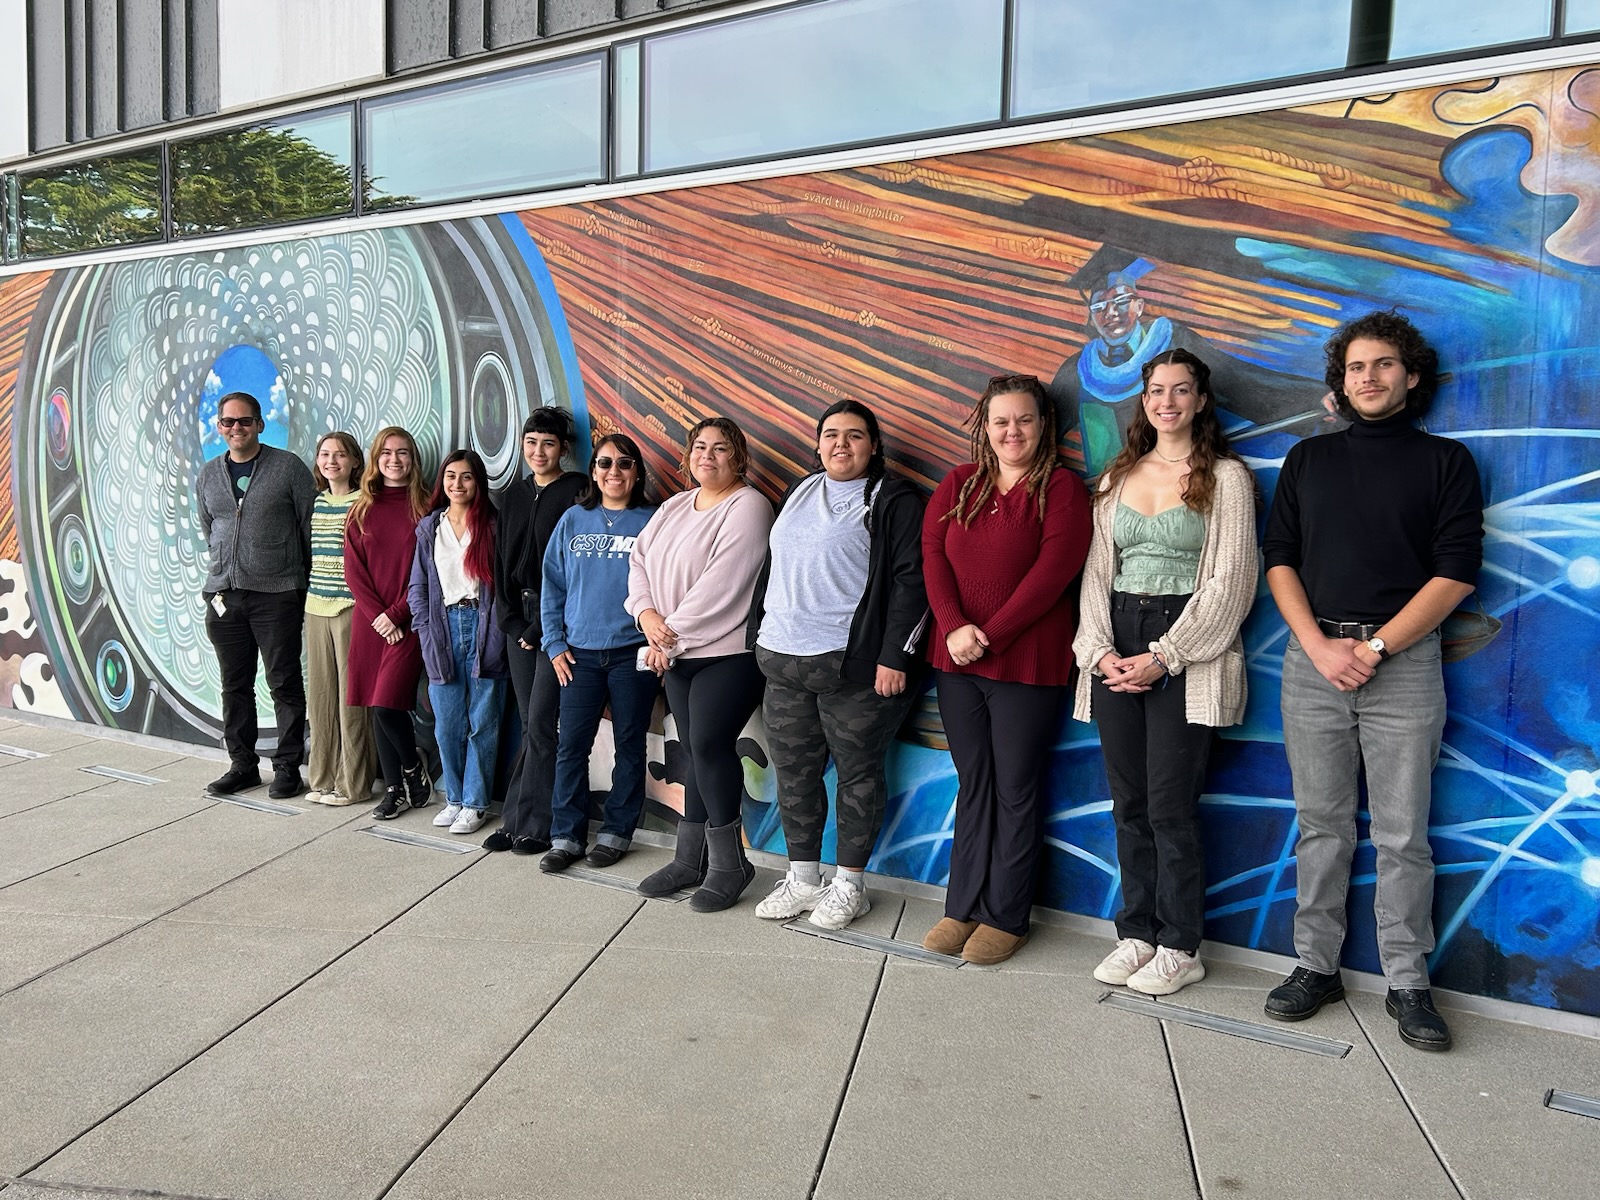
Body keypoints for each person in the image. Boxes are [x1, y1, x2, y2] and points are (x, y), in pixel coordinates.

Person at [1261, 311, 1483, 1052]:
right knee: (1320, 829)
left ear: (1411, 376)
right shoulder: (1308, 462)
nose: (1370, 378)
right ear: (1341, 380)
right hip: (1313, 661)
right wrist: (1321, 647)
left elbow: (1456, 574)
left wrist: (1379, 647)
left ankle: (1407, 983)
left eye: (1384, 365)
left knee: (1401, 836)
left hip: (1406, 666)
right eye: (1357, 367)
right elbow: (1280, 561)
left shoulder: (1446, 461)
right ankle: (1314, 967)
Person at [1071, 349, 1258, 995]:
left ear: (1201, 401)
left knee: (1171, 806)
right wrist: (1098, 652)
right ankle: (1137, 932)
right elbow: (1097, 572)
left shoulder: (1227, 478)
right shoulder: (1117, 477)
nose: (1168, 401)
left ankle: (1181, 944)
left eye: (1181, 391)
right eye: (1156, 391)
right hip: (1116, 644)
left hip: (1185, 651)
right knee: (1130, 803)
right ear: (1143, 400)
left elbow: (1232, 585)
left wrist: (1165, 657)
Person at [920, 374, 1092, 965]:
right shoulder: (958, 484)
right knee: (975, 785)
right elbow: (934, 556)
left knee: (1016, 789)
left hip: (1027, 662)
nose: (1011, 431)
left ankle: (1006, 915)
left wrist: (990, 634)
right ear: (984, 427)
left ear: (1043, 426)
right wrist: (953, 626)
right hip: (957, 660)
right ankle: (960, 905)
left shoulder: (1062, 488)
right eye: (1001, 421)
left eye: (1024, 419)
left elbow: (1053, 574)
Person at [746, 400, 929, 930]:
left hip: (854, 670)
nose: (840, 445)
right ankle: (803, 879)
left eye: (854, 435)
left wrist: (896, 656)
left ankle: (849, 885)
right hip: (784, 662)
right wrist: (759, 631)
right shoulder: (800, 490)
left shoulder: (894, 500)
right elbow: (776, 566)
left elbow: (912, 584)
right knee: (796, 776)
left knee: (857, 777)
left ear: (874, 445)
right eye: (830, 434)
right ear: (818, 441)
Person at [626, 417, 774, 912]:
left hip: (728, 654)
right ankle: (690, 860)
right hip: (678, 652)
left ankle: (731, 866)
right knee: (691, 750)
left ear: (739, 458)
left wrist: (666, 636)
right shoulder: (673, 506)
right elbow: (639, 562)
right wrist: (645, 614)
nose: (707, 456)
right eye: (699, 447)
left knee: (709, 744)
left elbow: (723, 585)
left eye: (721, 448)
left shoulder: (749, 506)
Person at [1045, 245, 1331, 476]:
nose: (1112, 314)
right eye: (1100, 306)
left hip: (1179, 487)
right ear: (1092, 317)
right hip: (1107, 495)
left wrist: (1316, 398)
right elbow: (1045, 429)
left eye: (1121, 302)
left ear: (1139, 306)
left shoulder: (1174, 343)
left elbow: (1240, 382)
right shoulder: (1079, 371)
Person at [537, 435, 659, 872]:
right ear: (593, 472)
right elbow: (553, 586)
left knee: (630, 745)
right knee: (571, 747)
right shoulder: (573, 519)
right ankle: (566, 835)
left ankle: (615, 833)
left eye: (625, 463)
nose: (614, 471)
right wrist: (554, 644)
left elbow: (666, 586)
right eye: (605, 463)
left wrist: (657, 643)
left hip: (633, 654)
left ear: (637, 472)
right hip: (579, 655)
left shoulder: (653, 520)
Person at [196, 390, 316, 798]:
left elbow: (309, 529)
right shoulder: (210, 474)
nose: (236, 429)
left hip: (277, 593)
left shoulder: (288, 468)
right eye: (228, 422)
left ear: (260, 424)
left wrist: (301, 582)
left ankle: (287, 768)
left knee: (283, 682)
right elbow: (210, 527)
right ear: (219, 427)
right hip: (224, 595)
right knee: (235, 685)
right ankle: (243, 765)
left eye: (244, 421)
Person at [488, 408, 589, 854]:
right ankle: (515, 819)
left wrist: (539, 627)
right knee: (530, 723)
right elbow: (499, 565)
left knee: (543, 724)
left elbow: (572, 568)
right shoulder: (513, 494)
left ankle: (536, 824)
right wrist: (511, 620)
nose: (538, 452)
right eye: (531, 443)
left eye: (548, 443)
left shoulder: (577, 493)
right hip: (516, 621)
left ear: (563, 449)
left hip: (555, 623)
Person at [409, 450, 508, 835]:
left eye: (466, 477)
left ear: (478, 482)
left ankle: (476, 803)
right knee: (447, 723)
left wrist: (499, 631)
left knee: (483, 721)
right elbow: (417, 585)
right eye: (451, 476)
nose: (457, 484)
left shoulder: (493, 525)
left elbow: (503, 586)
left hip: (484, 625)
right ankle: (453, 798)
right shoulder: (429, 528)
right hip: (442, 627)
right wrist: (423, 626)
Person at [345, 426, 434, 820]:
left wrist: (397, 614)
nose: (394, 460)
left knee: (386, 704)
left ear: (412, 459)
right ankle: (397, 787)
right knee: (375, 703)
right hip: (370, 622)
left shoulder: (428, 506)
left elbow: (429, 570)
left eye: (402, 453)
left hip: (410, 621)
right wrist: (378, 616)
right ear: (375, 459)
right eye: (386, 453)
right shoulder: (362, 506)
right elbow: (353, 569)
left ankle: (413, 769)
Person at [303, 431, 375, 806]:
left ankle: (353, 784)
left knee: (351, 699)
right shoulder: (315, 504)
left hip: (350, 608)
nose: (332, 461)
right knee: (320, 699)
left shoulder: (363, 503)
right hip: (316, 606)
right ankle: (322, 779)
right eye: (325, 454)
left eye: (340, 455)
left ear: (354, 462)